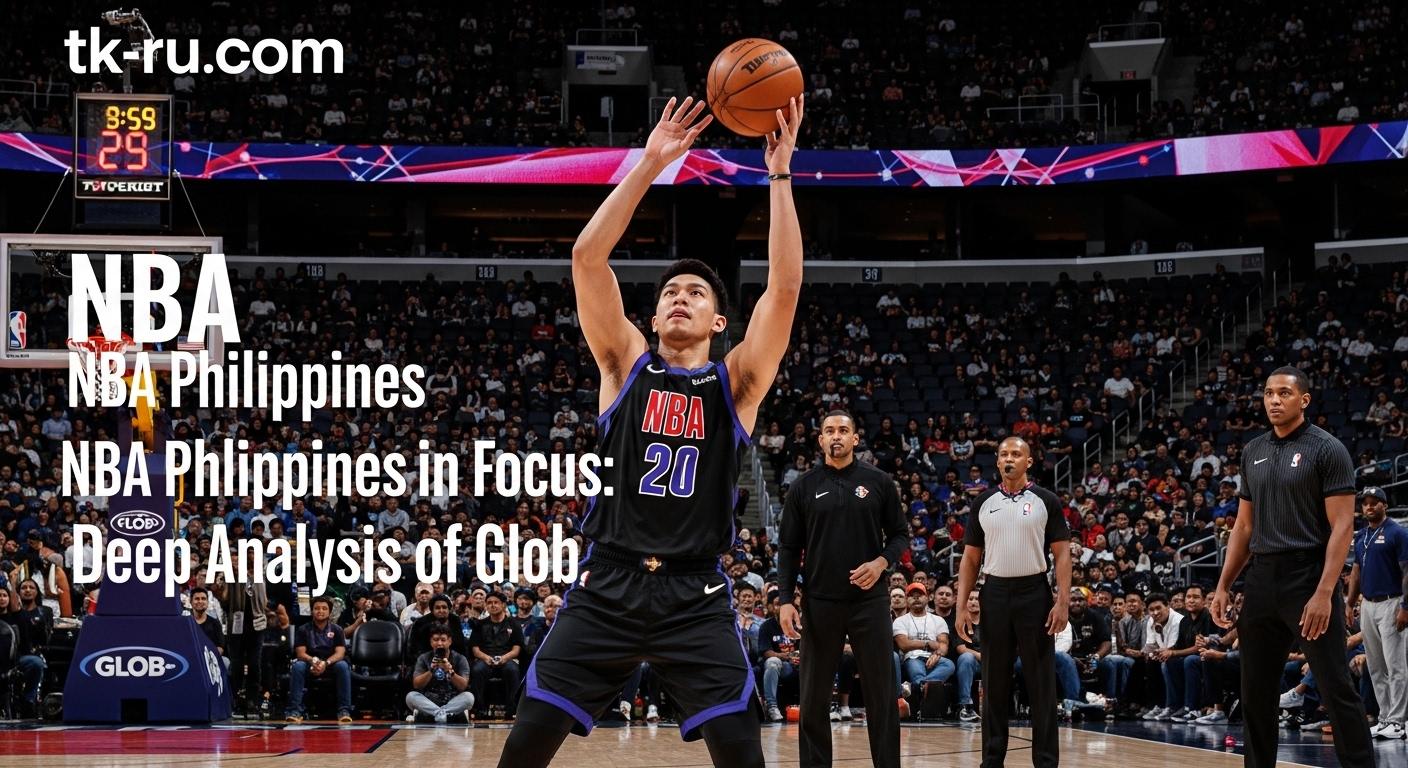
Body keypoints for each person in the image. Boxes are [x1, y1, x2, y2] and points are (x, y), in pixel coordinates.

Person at [498, 94, 804, 768]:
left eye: (695, 293)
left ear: (719, 322)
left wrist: (779, 175)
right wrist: (650, 164)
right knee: (524, 747)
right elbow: (587, 258)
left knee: (742, 754)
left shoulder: (736, 383)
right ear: (655, 316)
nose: (679, 297)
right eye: (669, 293)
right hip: (607, 583)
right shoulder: (624, 364)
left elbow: (782, 291)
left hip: (695, 595)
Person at [1210, 366, 1375, 767]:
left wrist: (1325, 591)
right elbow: (1244, 526)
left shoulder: (1328, 449)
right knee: (1255, 692)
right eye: (1269, 393)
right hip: (1262, 577)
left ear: (1304, 400)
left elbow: (1343, 526)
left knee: (1336, 686)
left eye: (1284, 393)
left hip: (1309, 576)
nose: (1274, 400)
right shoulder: (1253, 450)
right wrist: (1223, 585)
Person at [777, 408, 905, 767]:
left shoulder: (879, 482)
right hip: (819, 602)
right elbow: (788, 548)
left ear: (855, 438)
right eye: (830, 430)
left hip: (870, 601)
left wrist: (881, 563)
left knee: (881, 694)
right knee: (813, 697)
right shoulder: (803, 487)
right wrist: (786, 600)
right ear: (820, 440)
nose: (837, 436)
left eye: (843, 430)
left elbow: (899, 535)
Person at [955, 436, 1071, 768]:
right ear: (997, 461)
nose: (1009, 458)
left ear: (1028, 461)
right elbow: (970, 559)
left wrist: (1062, 601)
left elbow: (1062, 555)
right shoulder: (983, 502)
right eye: (1004, 453)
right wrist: (962, 605)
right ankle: (992, 760)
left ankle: (1046, 761)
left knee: (1041, 681)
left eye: (1016, 454)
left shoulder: (1046, 500)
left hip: (1035, 592)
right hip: (994, 592)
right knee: (993, 681)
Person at [1344, 486, 1407, 741]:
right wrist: (1350, 603)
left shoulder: (1397, 533)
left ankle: (1399, 721)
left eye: (1374, 502)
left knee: (1395, 665)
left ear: (1385, 505)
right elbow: (1356, 571)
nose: (1369, 506)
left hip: (1392, 601)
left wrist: (1406, 607)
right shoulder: (1362, 536)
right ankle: (1385, 718)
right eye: (1365, 503)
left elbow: (1407, 571)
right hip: (1368, 604)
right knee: (1376, 666)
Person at [285, 596, 352, 724]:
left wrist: (325, 663)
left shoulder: (337, 629)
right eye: (317, 608)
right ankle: (294, 711)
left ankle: (344, 710)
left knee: (343, 666)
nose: (320, 611)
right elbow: (300, 653)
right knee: (298, 666)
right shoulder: (303, 629)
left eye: (324, 608)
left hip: (330, 664)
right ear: (312, 611)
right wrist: (313, 661)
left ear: (329, 612)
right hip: (310, 663)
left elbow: (340, 653)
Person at [406, 624, 475, 724]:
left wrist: (450, 672)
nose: (439, 643)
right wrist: (431, 671)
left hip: (452, 700)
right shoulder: (423, 658)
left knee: (469, 697)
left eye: (443, 640)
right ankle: (446, 715)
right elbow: (417, 685)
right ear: (431, 642)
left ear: (449, 641)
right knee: (410, 696)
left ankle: (432, 715)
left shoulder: (460, 659)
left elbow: (463, 686)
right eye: (435, 640)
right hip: (429, 700)